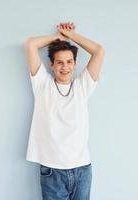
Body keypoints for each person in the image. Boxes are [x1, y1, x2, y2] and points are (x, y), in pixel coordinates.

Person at [25, 22, 105, 200]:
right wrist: (58, 37)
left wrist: (72, 36)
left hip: (82, 169)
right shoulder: (42, 85)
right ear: (51, 64)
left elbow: (99, 51)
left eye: (69, 62)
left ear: (75, 64)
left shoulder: (82, 87)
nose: (65, 67)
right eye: (59, 62)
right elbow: (31, 44)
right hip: (52, 171)